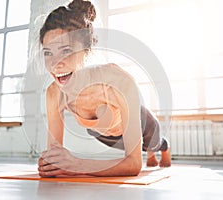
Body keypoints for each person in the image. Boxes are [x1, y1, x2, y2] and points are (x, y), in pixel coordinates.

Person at [37, 0, 171, 177]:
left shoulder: (118, 81)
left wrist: (76, 165)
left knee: (153, 144)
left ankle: (163, 149)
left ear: (86, 50)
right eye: (48, 53)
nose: (55, 64)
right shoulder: (54, 93)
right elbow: (55, 156)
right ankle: (150, 152)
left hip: (140, 122)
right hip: (104, 135)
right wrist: (50, 164)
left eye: (66, 51)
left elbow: (133, 165)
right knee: (123, 139)